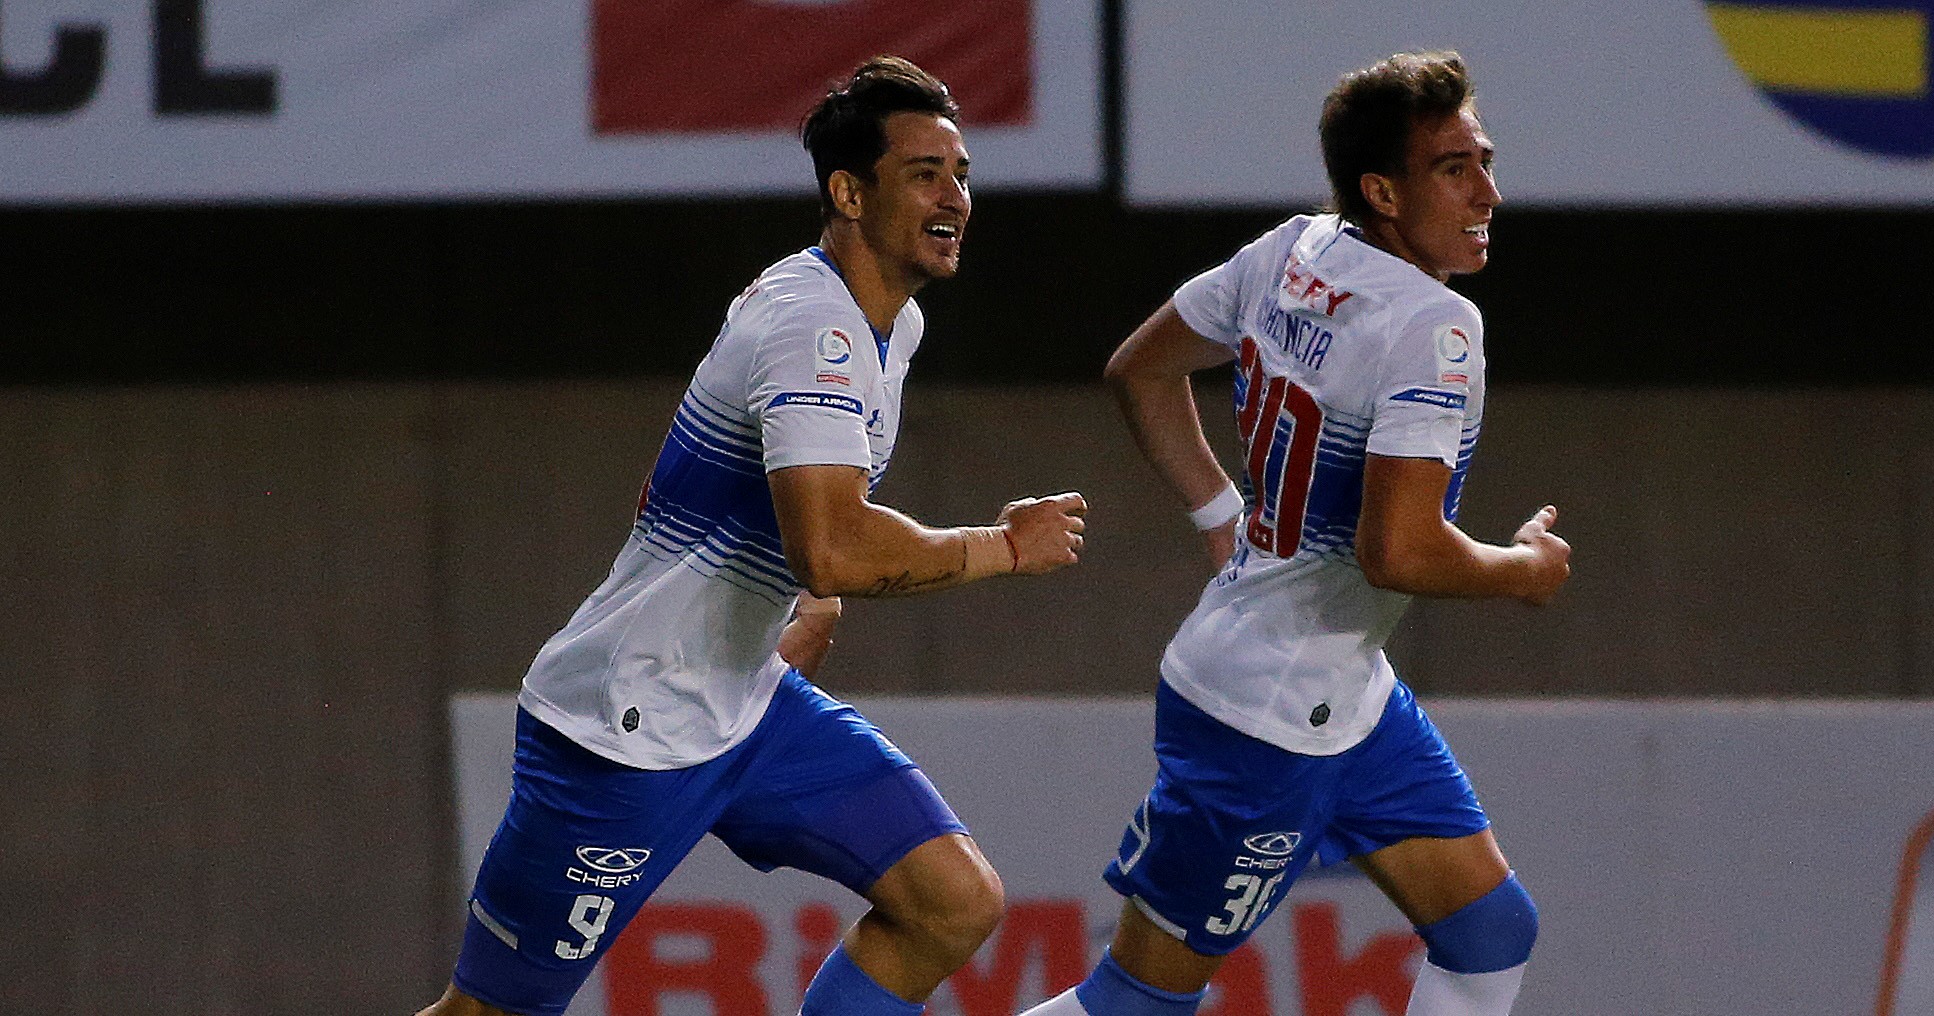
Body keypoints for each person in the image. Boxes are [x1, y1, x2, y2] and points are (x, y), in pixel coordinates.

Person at [418, 56, 1090, 1016]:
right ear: (848, 193)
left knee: (952, 903)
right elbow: (833, 548)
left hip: (747, 701)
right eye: (924, 174)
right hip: (625, 730)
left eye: (961, 174)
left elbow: (790, 523)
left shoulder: (888, 326)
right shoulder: (811, 325)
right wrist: (1005, 547)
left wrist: (788, 606)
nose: (955, 198)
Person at [1022, 51, 1569, 1016]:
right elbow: (1397, 551)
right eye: (1454, 169)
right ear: (1382, 192)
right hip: (1266, 717)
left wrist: (1221, 517)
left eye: (1485, 161)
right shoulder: (1436, 325)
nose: (1488, 192)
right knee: (1137, 1000)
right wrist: (1522, 571)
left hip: (1345, 692)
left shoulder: (1293, 250)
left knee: (1490, 932)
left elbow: (1141, 369)